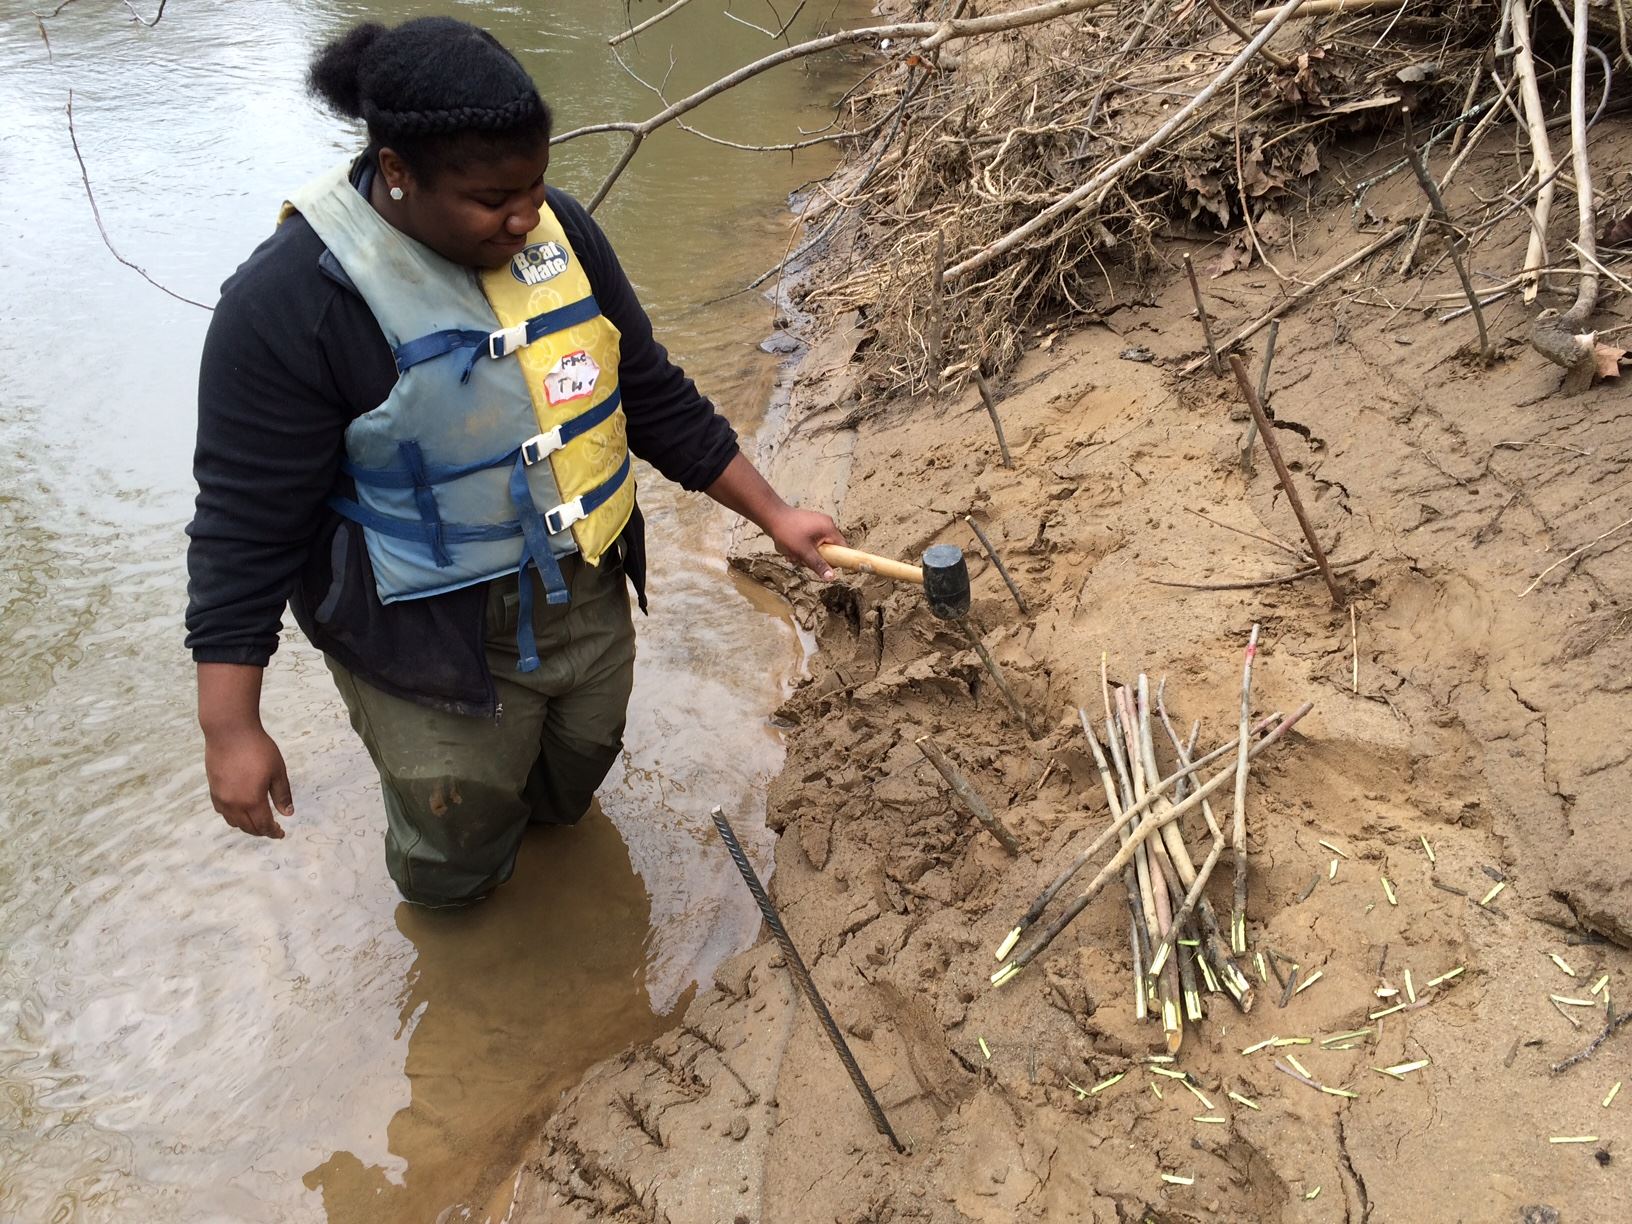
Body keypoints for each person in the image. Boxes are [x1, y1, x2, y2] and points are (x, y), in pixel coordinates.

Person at [185, 17, 842, 907]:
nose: (524, 216)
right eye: (492, 197)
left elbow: (643, 389)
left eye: (534, 183)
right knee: (452, 831)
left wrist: (773, 512)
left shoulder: (558, 234)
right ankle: (468, 954)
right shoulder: (288, 303)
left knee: (575, 776)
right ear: (397, 172)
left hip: (581, 580)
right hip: (419, 627)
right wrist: (232, 728)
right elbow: (243, 528)